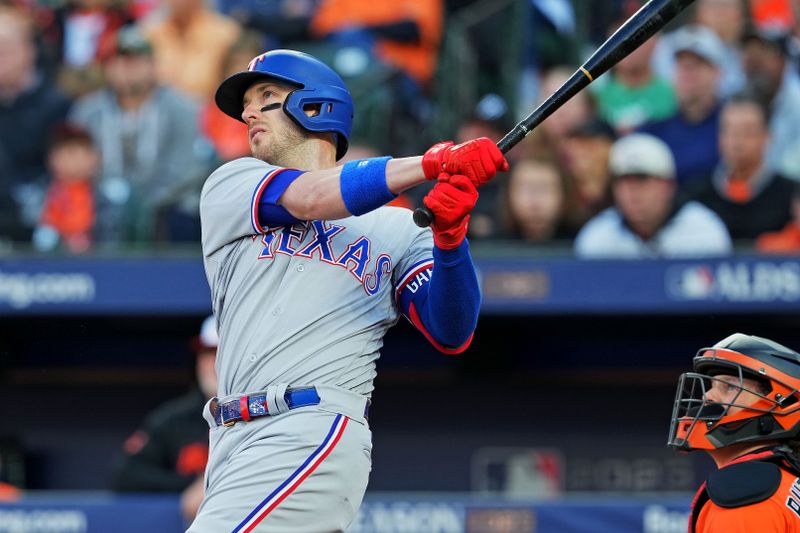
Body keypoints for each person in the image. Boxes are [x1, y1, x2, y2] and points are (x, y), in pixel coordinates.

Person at [189, 49, 507, 532]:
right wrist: (432, 162)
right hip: (229, 441)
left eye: (267, 97)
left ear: (316, 108)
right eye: (247, 103)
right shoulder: (231, 184)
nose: (248, 112)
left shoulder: (400, 230)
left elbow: (452, 330)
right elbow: (314, 197)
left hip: (311, 426)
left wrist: (450, 239)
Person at [69, 25, 211, 244]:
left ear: (153, 65)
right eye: (119, 61)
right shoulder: (88, 111)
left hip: (165, 207)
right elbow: (72, 162)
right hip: (102, 204)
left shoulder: (182, 108)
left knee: (187, 211)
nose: (127, 69)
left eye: (135, 61)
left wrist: (144, 202)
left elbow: (189, 166)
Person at [668, 332, 800, 532]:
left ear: (783, 404)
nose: (707, 396)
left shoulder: (745, 492)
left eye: (728, 387)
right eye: (712, 385)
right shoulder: (786, 479)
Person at [111, 315, 219, 524]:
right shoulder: (175, 418)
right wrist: (190, 484)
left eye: (219, 352)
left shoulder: (263, 413)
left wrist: (213, 486)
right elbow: (126, 474)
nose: (212, 363)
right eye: (206, 353)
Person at [574, 133, 731, 258]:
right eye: (622, 181)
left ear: (669, 185)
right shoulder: (598, 237)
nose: (631, 191)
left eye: (642, 180)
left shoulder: (703, 231)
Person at [0, 5, 72, 243]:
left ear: (29, 51)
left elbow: (64, 168)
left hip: (42, 216)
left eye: (6, 49)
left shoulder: (56, 104)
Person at [687, 93, 795, 241]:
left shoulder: (792, 197)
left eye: (747, 132)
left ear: (767, 137)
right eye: (729, 131)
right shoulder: (696, 196)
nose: (737, 142)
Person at [639, 24, 726, 189]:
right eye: (681, 64)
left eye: (698, 63)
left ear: (717, 72)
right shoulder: (655, 128)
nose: (688, 71)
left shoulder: (732, 125)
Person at [740, 26, 800, 180]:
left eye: (764, 53)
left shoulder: (797, 103)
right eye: (750, 53)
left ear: (783, 62)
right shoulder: (737, 100)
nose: (755, 62)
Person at [33, 122, 98, 254]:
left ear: (94, 157)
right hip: (49, 267)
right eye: (61, 151)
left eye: (74, 151)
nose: (69, 159)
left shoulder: (110, 196)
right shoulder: (37, 195)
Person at [498, 156, 574, 244]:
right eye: (525, 189)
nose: (534, 202)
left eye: (544, 189)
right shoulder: (490, 244)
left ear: (564, 193)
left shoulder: (584, 241)